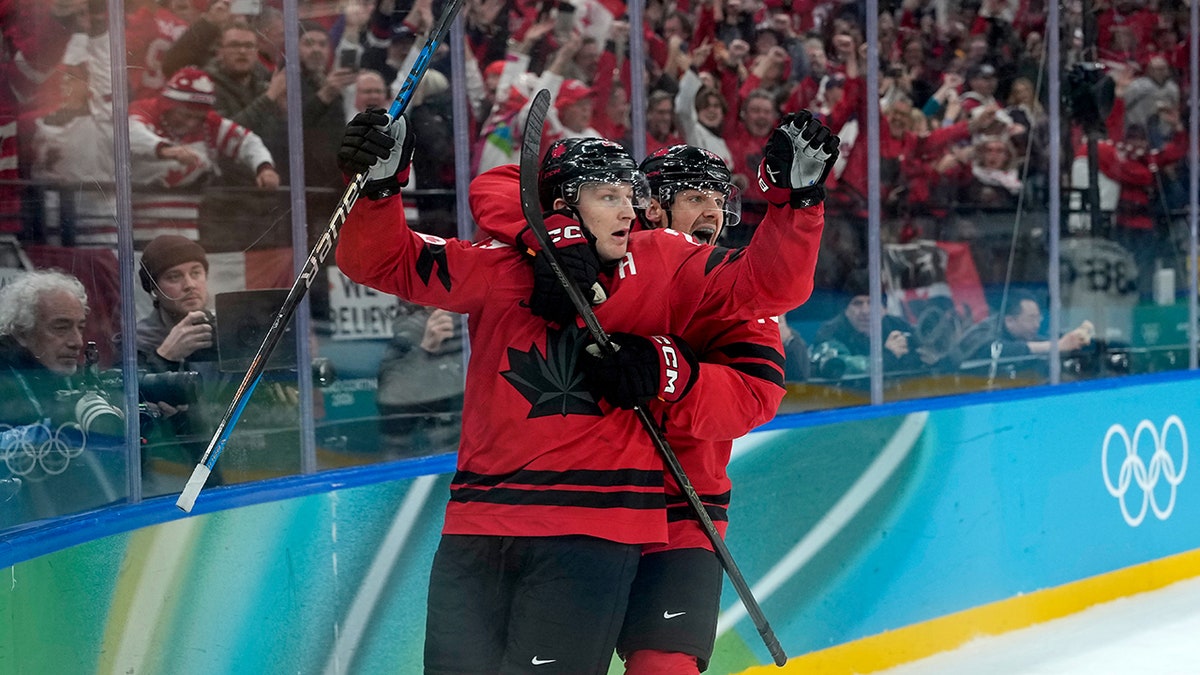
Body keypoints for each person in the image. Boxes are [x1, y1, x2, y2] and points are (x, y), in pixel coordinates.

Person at [335, 106, 838, 673]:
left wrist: (797, 205)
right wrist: (379, 190)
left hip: (649, 517)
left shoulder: (676, 266)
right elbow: (435, 227)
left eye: (720, 200)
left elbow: (770, 302)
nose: (712, 213)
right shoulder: (512, 265)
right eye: (692, 197)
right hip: (488, 516)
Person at [374, 302, 464, 459]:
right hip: (404, 415)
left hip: (450, 417)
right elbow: (389, 389)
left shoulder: (464, 321)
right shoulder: (408, 327)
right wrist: (426, 348)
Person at [813, 270, 925, 376]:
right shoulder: (830, 332)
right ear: (845, 311)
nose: (865, 311)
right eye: (857, 303)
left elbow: (923, 350)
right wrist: (888, 357)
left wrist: (929, 355)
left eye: (872, 302)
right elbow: (838, 364)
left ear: (884, 309)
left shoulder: (898, 326)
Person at [954, 289, 1093, 363]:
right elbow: (995, 350)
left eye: (1039, 318)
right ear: (1010, 321)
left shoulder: (1026, 335)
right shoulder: (983, 334)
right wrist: (1056, 345)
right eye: (1031, 319)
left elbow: (1040, 341)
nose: (1037, 324)